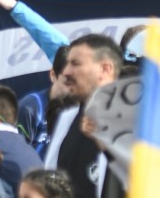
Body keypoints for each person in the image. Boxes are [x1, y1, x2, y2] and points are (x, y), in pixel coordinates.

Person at [48, 34, 123, 198]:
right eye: (67, 64)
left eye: (76, 64)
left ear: (105, 69)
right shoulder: (66, 119)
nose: (66, 72)